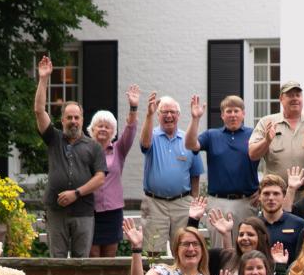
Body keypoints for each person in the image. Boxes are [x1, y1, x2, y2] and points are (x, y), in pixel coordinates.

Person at [32, 55, 108, 258]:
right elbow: (39, 110)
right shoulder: (54, 139)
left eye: (77, 117)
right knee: (56, 261)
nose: (73, 121)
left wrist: (76, 193)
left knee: (81, 261)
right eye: (69, 118)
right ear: (62, 120)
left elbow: (100, 178)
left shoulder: (93, 146)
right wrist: (44, 78)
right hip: (55, 211)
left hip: (83, 211)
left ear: (83, 120)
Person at [140, 93, 203, 255]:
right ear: (158, 115)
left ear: (179, 115)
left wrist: (193, 201)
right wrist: (149, 114)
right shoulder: (151, 135)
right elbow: (144, 144)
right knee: (153, 251)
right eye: (164, 112)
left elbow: (195, 175)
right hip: (155, 203)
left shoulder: (188, 139)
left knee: (183, 250)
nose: (169, 115)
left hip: (182, 203)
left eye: (173, 112)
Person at [185, 94, 258, 229]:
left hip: (246, 203)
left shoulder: (254, 134)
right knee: (219, 249)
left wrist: (263, 188)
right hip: (217, 203)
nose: (232, 115)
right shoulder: (211, 135)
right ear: (222, 115)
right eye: (228, 111)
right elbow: (190, 145)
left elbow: (270, 159)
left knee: (246, 245)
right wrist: (195, 119)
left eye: (236, 111)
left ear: (243, 114)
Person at [88, 85, 140, 257]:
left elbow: (131, 130)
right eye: (99, 125)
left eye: (107, 126)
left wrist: (133, 108)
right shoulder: (85, 150)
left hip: (113, 211)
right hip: (90, 210)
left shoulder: (119, 149)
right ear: (92, 129)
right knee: (93, 255)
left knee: (110, 255)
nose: (103, 129)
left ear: (113, 131)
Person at [249, 80, 304, 180]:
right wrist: (266, 141)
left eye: (298, 95)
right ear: (281, 99)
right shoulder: (267, 122)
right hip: (276, 192)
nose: (295, 98)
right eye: (290, 95)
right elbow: (253, 154)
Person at [257, 174, 304, 266]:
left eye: (276, 194)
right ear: (259, 197)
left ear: (284, 196)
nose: (271, 198)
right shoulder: (252, 226)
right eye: (266, 194)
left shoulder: (300, 225)